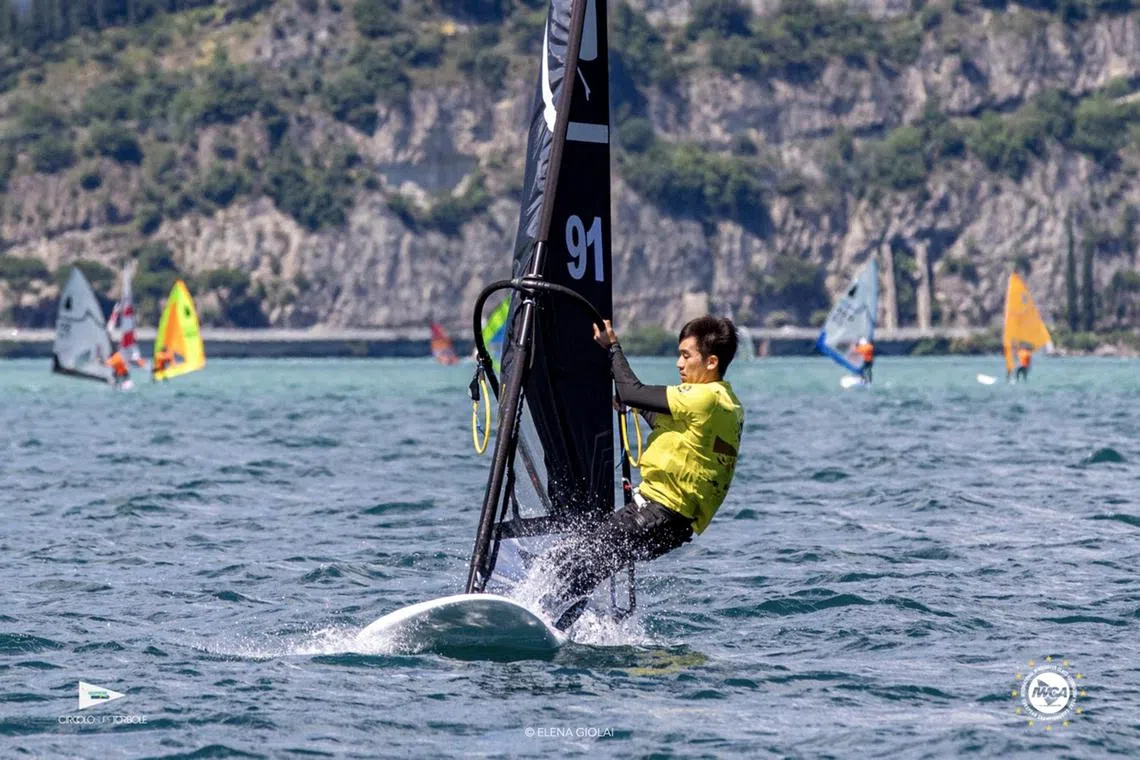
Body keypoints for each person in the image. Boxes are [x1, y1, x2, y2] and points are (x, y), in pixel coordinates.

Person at [537, 315, 745, 631]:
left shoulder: (705, 397)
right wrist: (627, 400)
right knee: (586, 561)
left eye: (687, 356)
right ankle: (560, 624)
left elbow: (634, 392)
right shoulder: (726, 403)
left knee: (579, 560)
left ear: (712, 361)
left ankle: (541, 618)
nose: (679, 363)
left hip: (657, 514)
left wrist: (613, 349)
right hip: (671, 525)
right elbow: (647, 408)